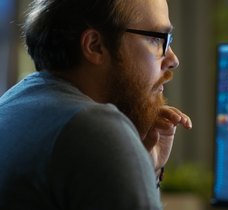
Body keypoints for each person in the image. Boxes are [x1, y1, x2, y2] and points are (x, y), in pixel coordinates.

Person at [0, 0, 192, 209]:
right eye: (157, 39)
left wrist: (145, 168)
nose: (173, 59)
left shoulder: (13, 103)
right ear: (95, 46)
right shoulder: (93, 128)